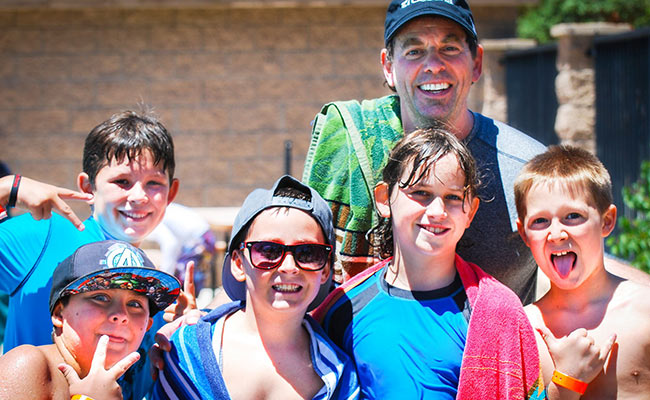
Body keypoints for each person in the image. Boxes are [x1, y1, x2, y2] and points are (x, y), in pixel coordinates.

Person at [302, 0, 547, 305]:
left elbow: (585, 271)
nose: (433, 64)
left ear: (477, 63)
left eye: (450, 48)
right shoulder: (353, 142)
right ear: (389, 67)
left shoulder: (530, 173)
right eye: (414, 51)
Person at [312, 128, 544, 399]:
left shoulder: (498, 313)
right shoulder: (343, 310)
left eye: (453, 198)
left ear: (471, 211)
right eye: (421, 192)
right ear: (384, 200)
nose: (437, 212)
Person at [0, 110, 179, 398]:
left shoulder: (152, 287)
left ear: (172, 192)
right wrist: (7, 188)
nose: (139, 196)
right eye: (122, 181)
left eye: (153, 183)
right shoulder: (43, 234)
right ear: (87, 187)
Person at [153, 175, 359, 400]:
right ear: (239, 264)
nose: (289, 267)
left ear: (326, 271)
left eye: (308, 253)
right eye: (269, 251)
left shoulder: (341, 379)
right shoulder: (185, 353)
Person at [515, 145, 650, 399]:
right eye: (540, 221)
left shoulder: (645, 312)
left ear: (607, 221)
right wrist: (566, 383)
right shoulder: (522, 330)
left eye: (573, 216)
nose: (556, 234)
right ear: (524, 233)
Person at [0, 240, 181, 400]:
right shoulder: (27, 365)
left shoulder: (125, 384)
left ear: (148, 325)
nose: (121, 315)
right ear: (59, 314)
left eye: (135, 304)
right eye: (101, 298)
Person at [146, 202, 216, 292]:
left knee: (185, 278)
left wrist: (165, 277)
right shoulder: (159, 209)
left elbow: (171, 244)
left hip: (200, 241)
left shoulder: (155, 217)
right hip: (203, 238)